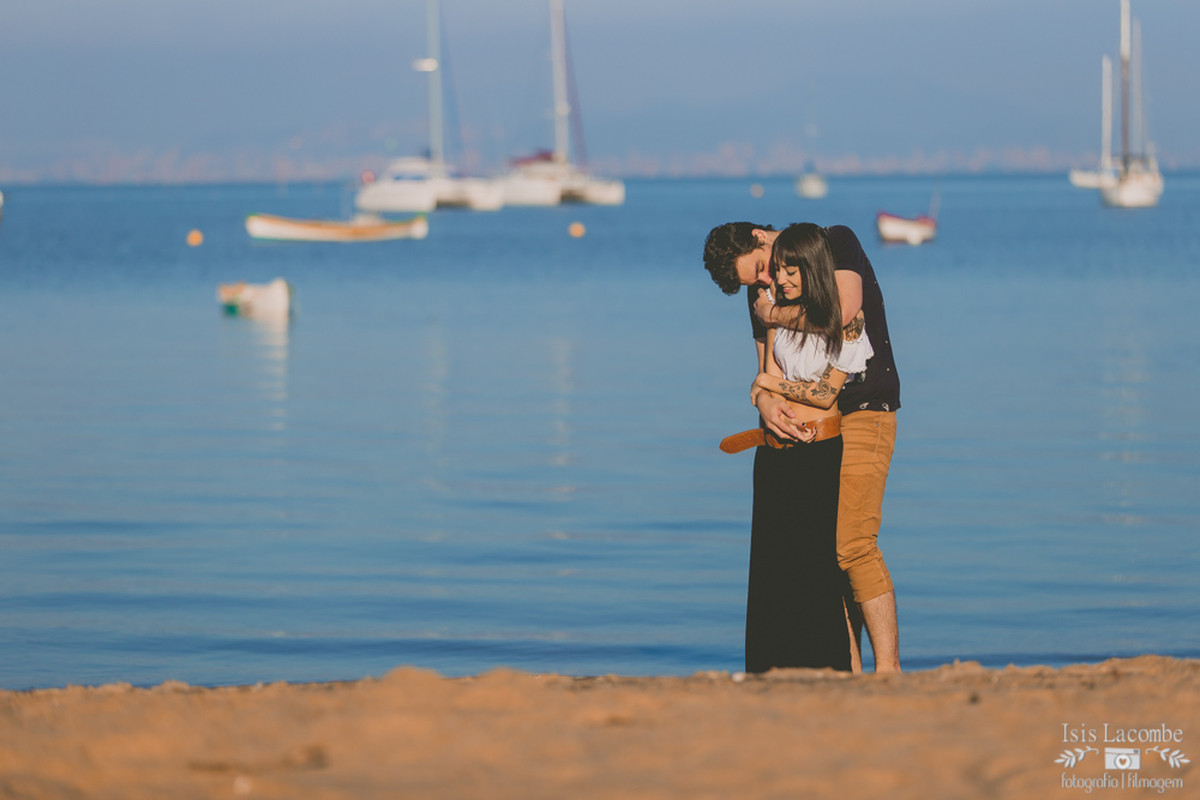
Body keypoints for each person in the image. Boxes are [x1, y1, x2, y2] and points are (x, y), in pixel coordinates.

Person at [703, 221, 902, 673]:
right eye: (756, 283)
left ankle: (889, 674)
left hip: (865, 407)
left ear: (760, 236)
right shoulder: (764, 295)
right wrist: (767, 403)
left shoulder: (835, 243)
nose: (767, 283)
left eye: (761, 269)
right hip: (812, 432)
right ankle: (847, 670)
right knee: (822, 554)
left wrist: (771, 316)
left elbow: (845, 311)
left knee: (854, 544)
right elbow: (764, 371)